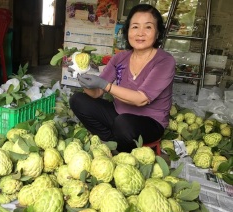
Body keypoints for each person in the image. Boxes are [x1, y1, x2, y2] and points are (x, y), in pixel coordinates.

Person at [69, 4, 176, 153]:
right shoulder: (120, 58)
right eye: (135, 27)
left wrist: (104, 85)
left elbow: (141, 99)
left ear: (157, 33)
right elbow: (97, 93)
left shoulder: (164, 61)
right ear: (127, 31)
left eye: (148, 27)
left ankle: (119, 146)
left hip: (150, 122)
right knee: (77, 100)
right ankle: (113, 141)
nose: (140, 33)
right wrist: (81, 77)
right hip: (118, 114)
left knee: (124, 123)